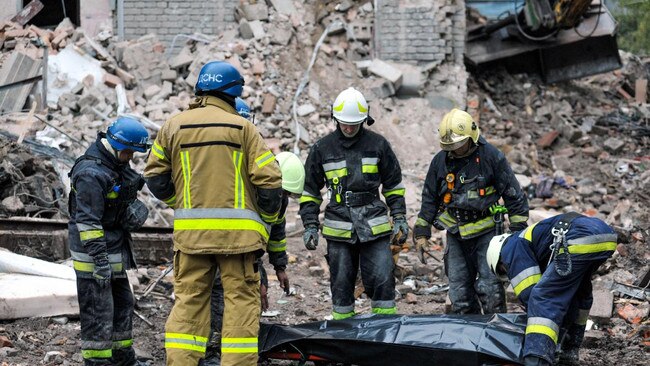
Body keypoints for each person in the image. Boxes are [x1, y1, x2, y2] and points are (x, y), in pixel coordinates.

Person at [144, 61, 283, 366]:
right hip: (239, 242)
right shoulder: (244, 128)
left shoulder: (173, 126)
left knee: (189, 303)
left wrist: (180, 202)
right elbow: (270, 182)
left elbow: (154, 177)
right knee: (240, 304)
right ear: (234, 94)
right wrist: (266, 218)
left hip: (191, 238)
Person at [299, 87, 408, 320]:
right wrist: (310, 224)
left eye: (354, 124)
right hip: (338, 226)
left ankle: (384, 329)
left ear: (364, 120)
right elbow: (310, 192)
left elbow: (394, 187)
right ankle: (343, 336)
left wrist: (399, 217)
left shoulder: (378, 145)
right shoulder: (322, 148)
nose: (348, 128)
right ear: (335, 119)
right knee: (341, 284)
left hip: (374, 226)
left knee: (382, 278)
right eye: (344, 123)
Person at [412, 108, 529, 315]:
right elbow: (429, 198)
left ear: (471, 137)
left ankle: (495, 334)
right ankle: (467, 337)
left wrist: (518, 234)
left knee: (490, 287)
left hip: (488, 234)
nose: (454, 150)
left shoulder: (491, 157)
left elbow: (513, 195)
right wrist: (421, 233)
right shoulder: (440, 161)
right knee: (459, 292)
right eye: (450, 147)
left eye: (458, 145)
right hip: (456, 234)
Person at [68, 116, 151, 366]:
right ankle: (99, 363)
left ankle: (123, 361)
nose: (131, 158)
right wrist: (100, 261)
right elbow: (88, 222)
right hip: (94, 257)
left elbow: (123, 188)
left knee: (123, 304)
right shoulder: (91, 174)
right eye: (129, 152)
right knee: (99, 315)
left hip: (112, 253)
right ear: (117, 146)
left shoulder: (114, 163)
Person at [486, 212, 617, 366]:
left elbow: (531, 293)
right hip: (606, 236)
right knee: (578, 294)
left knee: (543, 298)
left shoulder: (511, 247)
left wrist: (532, 325)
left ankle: (536, 359)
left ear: (499, 258)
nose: (508, 272)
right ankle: (569, 351)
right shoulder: (531, 240)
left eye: (503, 270)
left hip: (579, 239)